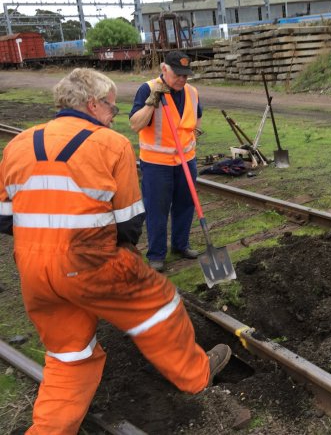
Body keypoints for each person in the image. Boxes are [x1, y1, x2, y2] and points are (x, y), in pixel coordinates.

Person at [0, 68, 231, 434]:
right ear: (92, 104)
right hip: (90, 259)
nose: (113, 115)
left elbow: (4, 218)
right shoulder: (111, 144)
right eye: (111, 106)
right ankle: (196, 375)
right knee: (162, 307)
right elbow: (128, 223)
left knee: (70, 355)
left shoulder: (18, 144)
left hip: (33, 269)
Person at [130, 50, 203, 272]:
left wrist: (194, 135)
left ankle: (181, 245)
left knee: (185, 205)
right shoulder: (148, 89)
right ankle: (156, 254)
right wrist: (152, 102)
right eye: (177, 74)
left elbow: (197, 115)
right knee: (157, 210)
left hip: (186, 160)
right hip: (157, 164)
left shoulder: (192, 92)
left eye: (185, 75)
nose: (182, 79)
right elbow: (135, 124)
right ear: (164, 69)